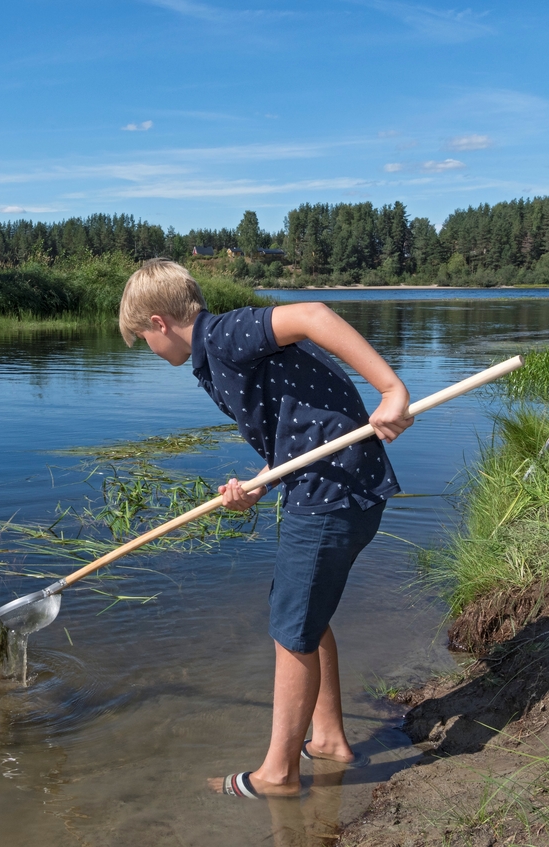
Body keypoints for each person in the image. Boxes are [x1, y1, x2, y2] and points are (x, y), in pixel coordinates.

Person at [119, 259, 413, 798]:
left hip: (331, 495)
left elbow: (313, 314)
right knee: (305, 613)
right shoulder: (216, 357)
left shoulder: (225, 335)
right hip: (329, 486)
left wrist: (391, 390)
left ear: (159, 322)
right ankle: (325, 739)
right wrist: (259, 484)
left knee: (291, 627)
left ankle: (277, 775)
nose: (149, 350)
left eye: (142, 338)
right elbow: (299, 433)